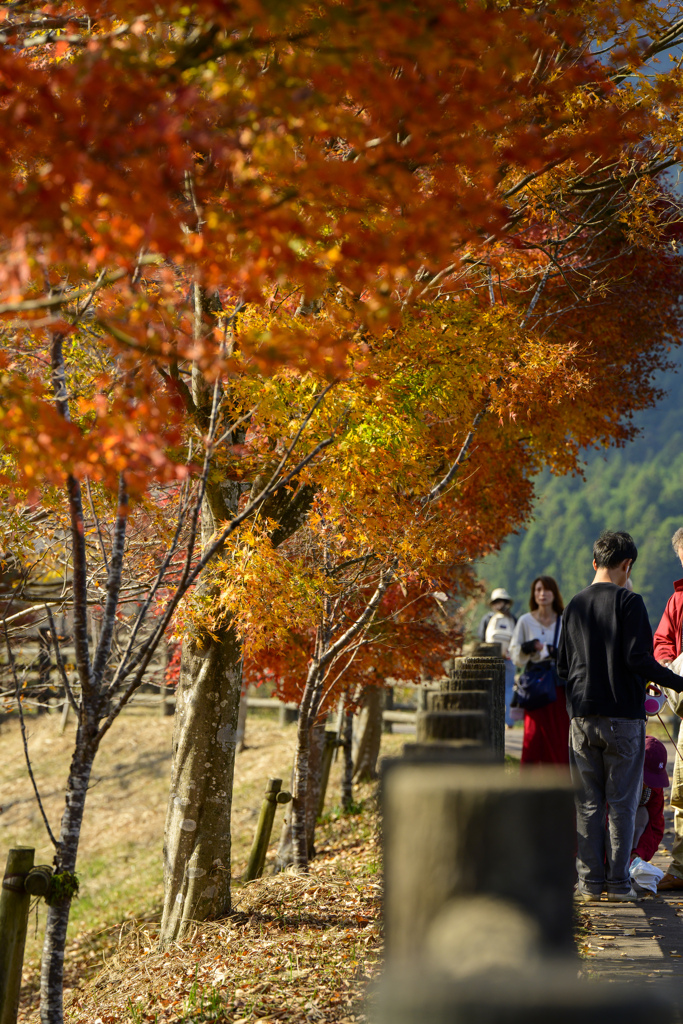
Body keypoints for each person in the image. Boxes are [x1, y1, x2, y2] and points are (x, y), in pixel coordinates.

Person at [557, 530, 683, 902]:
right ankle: (617, 884)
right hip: (623, 719)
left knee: (588, 803)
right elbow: (638, 659)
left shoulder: (575, 605)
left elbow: (563, 667)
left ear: (594, 562)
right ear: (626, 565)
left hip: (581, 716)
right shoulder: (630, 603)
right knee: (623, 805)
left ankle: (589, 884)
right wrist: (676, 681)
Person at [509, 575, 569, 765]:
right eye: (538, 590)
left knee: (559, 735)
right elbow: (515, 655)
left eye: (547, 589)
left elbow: (574, 653)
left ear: (554, 593)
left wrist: (555, 652)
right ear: (533, 594)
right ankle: (529, 787)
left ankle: (558, 786)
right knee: (533, 735)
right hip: (535, 685)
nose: (542, 594)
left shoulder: (564, 619)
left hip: (558, 685)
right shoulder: (526, 621)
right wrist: (527, 647)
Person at [653, 526, 683, 890]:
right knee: (682, 792)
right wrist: (669, 663)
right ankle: (680, 866)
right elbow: (661, 640)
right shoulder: (677, 600)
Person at [483, 588, 517, 727]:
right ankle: (508, 721)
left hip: (492, 658)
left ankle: (491, 719)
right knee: (508, 688)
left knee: (491, 687)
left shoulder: (488, 618)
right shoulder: (512, 618)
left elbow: (482, 638)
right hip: (509, 659)